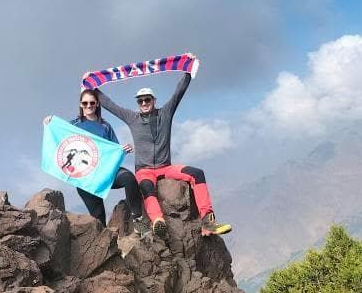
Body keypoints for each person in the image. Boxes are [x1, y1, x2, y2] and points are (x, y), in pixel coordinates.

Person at [92, 64, 232, 240]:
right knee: (145, 186)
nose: (144, 103)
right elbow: (110, 105)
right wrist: (92, 87)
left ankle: (207, 221)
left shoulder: (165, 113)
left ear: (153, 100)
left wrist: (188, 70)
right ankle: (158, 220)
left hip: (166, 168)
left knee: (197, 173)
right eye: (140, 101)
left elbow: (178, 93)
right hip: (144, 170)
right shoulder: (132, 118)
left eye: (147, 100)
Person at [45, 91, 147, 233]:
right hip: (86, 178)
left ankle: (138, 221)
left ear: (97, 104)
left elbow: (114, 150)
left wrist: (123, 149)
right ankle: (107, 250)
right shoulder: (74, 125)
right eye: (85, 103)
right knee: (99, 219)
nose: (88, 106)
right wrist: (50, 122)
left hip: (105, 173)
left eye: (92, 102)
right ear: (80, 105)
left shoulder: (105, 126)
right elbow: (59, 134)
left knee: (128, 178)